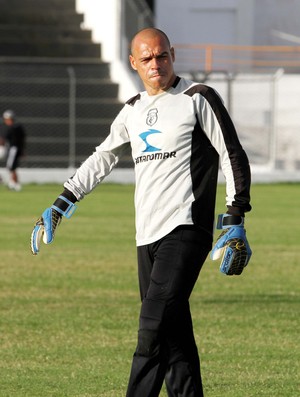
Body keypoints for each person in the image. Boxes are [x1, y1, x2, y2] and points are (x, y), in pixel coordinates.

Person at [31, 28, 251, 396]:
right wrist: (62, 202)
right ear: (134, 63)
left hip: (186, 229)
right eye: (146, 59)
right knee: (173, 335)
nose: (156, 65)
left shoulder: (198, 98)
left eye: (162, 56)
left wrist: (235, 215)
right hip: (145, 236)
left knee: (151, 327)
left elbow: (232, 155)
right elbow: (103, 157)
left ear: (173, 55)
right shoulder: (133, 109)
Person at [2, 109, 26, 191]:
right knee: (13, 167)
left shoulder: (11, 128)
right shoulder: (18, 127)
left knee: (11, 167)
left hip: (13, 149)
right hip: (17, 149)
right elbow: (23, 139)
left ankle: (15, 184)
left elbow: (4, 139)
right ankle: (13, 183)